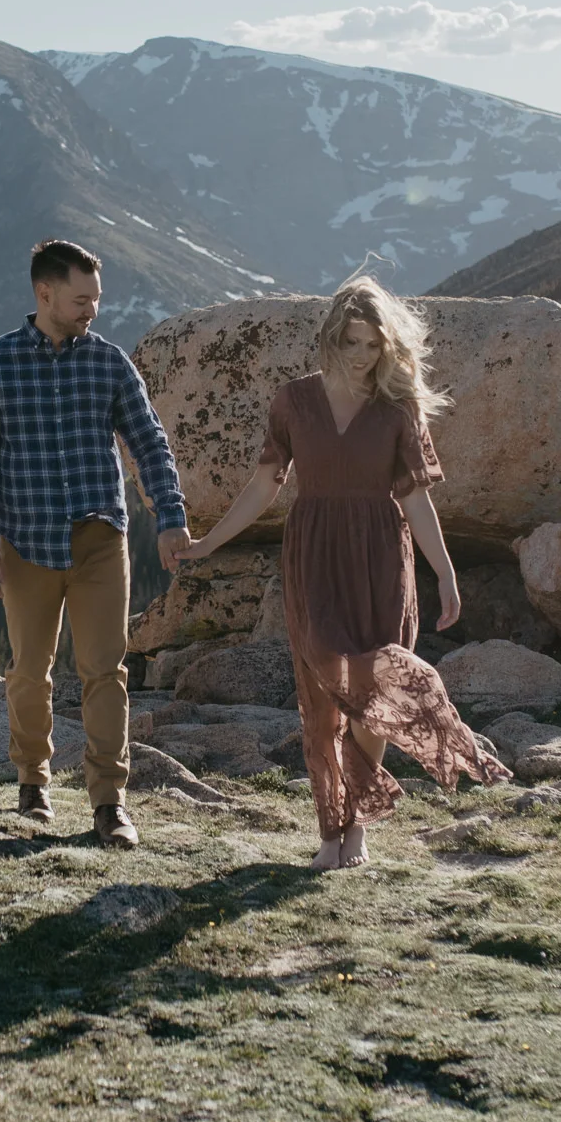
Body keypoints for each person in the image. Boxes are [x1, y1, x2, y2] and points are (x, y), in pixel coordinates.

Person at [178, 276, 509, 870]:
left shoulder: (397, 408)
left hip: (381, 556)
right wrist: (207, 544)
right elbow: (263, 485)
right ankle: (330, 825)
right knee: (323, 696)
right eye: (352, 342)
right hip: (314, 556)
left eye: (373, 345)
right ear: (331, 337)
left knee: (372, 690)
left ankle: (354, 828)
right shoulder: (293, 401)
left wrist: (446, 572)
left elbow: (416, 500)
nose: (362, 356)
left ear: (388, 345)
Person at [0, 238, 193, 848]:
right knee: (29, 672)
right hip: (26, 543)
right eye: (81, 299)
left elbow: (150, 442)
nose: (93, 309)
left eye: (97, 298)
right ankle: (32, 785)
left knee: (105, 672)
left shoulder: (109, 363)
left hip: (99, 541)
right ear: (45, 293)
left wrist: (169, 515)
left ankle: (110, 804)